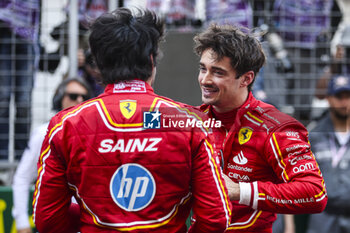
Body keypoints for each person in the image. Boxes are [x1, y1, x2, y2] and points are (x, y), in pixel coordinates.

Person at [33, 8, 232, 233]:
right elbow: (215, 218)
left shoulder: (65, 125)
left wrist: (93, 216)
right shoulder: (191, 123)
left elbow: (47, 219)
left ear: (98, 62)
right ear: (151, 59)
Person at [193, 23, 328, 232]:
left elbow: (315, 193)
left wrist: (238, 191)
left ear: (246, 78)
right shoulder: (190, 121)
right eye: (203, 69)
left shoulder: (277, 128)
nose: (205, 79)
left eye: (217, 72)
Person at [12, 77, 92, 233]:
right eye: (73, 96)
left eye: (85, 97)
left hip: (89, 223)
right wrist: (22, 223)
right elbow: (22, 178)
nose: (79, 100)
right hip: (58, 224)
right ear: (59, 99)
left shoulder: (95, 133)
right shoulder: (44, 132)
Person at [306, 74, 350, 233]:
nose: (344, 102)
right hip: (323, 216)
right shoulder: (314, 135)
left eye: (348, 96)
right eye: (339, 96)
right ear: (329, 98)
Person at [0, 0, 40, 160]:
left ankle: (22, 161)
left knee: (24, 103)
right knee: (2, 100)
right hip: (3, 35)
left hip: (27, 37)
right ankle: (2, 163)